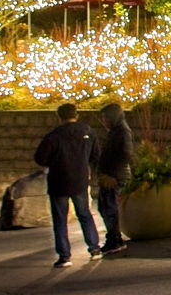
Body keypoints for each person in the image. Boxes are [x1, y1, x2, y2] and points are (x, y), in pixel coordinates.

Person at [33, 102, 101, 267]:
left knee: (60, 219)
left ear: (59, 117)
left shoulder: (53, 136)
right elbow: (96, 155)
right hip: (80, 179)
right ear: (76, 114)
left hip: (59, 181)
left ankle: (65, 256)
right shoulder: (88, 132)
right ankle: (94, 248)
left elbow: (40, 158)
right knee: (84, 213)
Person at [96, 102, 133, 254]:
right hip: (111, 175)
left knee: (110, 208)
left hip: (115, 176)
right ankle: (113, 237)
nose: (103, 121)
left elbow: (125, 154)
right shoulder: (116, 131)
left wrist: (112, 175)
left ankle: (114, 239)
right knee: (105, 207)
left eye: (105, 117)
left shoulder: (122, 132)